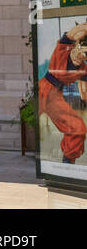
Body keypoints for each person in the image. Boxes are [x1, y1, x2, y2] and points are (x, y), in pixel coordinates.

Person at [39, 21, 87, 164]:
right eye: (82, 47)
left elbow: (84, 91)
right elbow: (79, 29)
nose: (81, 53)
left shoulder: (83, 69)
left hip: (54, 97)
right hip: (43, 88)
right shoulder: (64, 48)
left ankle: (68, 162)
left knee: (78, 127)